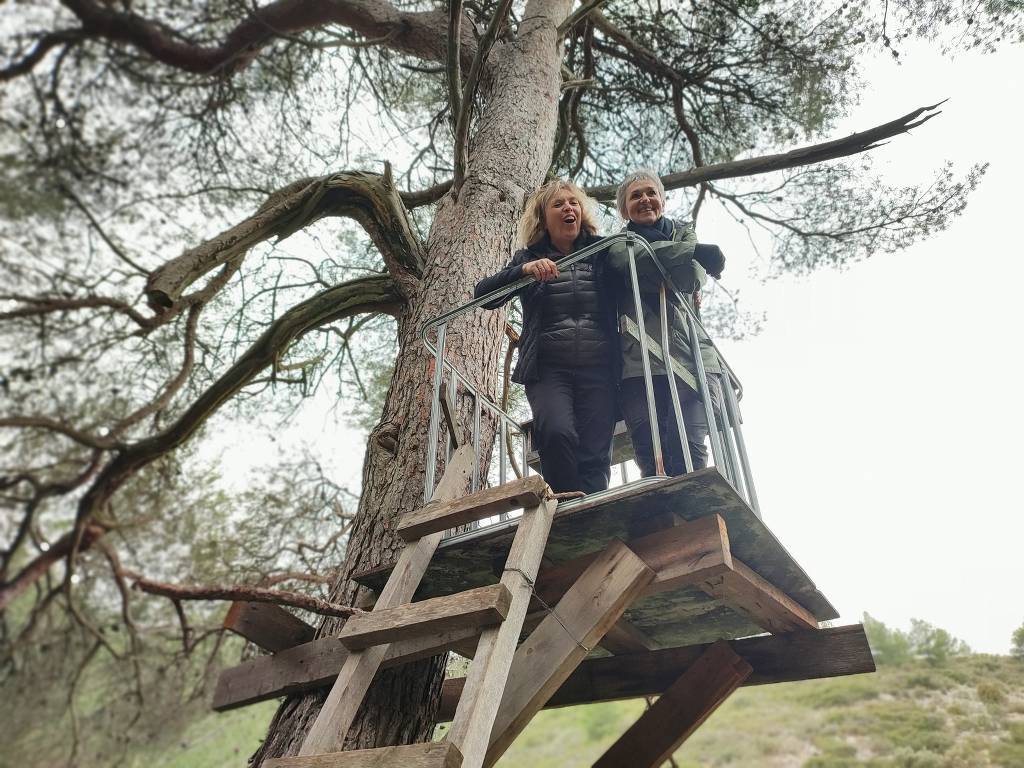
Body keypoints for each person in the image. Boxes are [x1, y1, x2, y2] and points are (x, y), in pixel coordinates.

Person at [474, 179, 618, 494]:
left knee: (595, 450)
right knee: (555, 432)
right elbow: (483, 295)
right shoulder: (528, 257)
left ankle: (595, 514)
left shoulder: (602, 251)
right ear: (543, 218)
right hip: (549, 369)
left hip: (600, 368)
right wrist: (523, 272)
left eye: (574, 203)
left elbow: (639, 273)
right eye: (558, 204)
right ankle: (565, 507)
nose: (569, 208)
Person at [608, 169, 727, 477]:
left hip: (693, 357)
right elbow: (626, 261)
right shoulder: (617, 243)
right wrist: (687, 255)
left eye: (651, 193)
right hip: (639, 360)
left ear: (662, 200)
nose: (645, 200)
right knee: (651, 451)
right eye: (636, 196)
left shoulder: (685, 233)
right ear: (624, 210)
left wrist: (656, 263)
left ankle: (696, 519)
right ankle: (660, 521)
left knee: (690, 446)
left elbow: (691, 277)